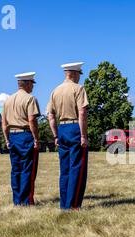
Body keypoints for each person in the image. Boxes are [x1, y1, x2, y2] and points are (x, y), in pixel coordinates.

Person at [47, 62, 89, 211]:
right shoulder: (78, 89)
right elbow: (82, 113)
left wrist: (56, 135)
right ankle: (74, 205)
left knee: (64, 170)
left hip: (62, 128)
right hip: (75, 128)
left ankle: (64, 204)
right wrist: (83, 135)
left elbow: (50, 116)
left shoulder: (55, 91)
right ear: (75, 74)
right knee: (77, 168)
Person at [1, 72, 40, 206]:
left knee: (15, 169)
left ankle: (17, 200)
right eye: (32, 84)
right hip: (25, 136)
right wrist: (36, 138)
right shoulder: (30, 99)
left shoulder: (7, 100)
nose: (33, 87)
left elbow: (4, 124)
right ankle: (26, 200)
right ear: (28, 84)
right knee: (27, 169)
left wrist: (7, 139)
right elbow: (32, 119)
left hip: (12, 136)